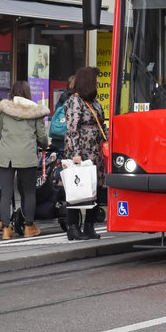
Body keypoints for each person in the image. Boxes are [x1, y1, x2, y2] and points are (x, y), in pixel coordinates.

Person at [0, 80, 50, 239]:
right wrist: (45, 144)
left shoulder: (5, 110)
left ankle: (6, 229)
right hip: (26, 155)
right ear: (28, 93)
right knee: (29, 192)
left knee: (5, 193)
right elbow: (41, 137)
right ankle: (29, 227)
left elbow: (0, 132)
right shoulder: (35, 111)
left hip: (5, 155)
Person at [64, 66, 107, 241]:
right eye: (95, 79)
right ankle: (73, 226)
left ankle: (89, 226)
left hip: (95, 152)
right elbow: (72, 129)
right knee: (77, 188)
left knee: (94, 189)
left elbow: (100, 125)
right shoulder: (75, 101)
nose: (98, 81)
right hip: (81, 151)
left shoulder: (94, 101)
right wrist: (75, 153)